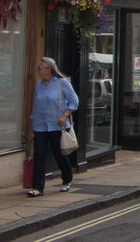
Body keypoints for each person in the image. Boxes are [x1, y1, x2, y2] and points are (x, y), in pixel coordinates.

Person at [28, 57, 79, 197]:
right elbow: (36, 105)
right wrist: (32, 121)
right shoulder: (39, 84)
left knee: (59, 154)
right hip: (40, 125)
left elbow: (74, 101)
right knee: (39, 156)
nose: (37, 70)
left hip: (57, 125)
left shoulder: (62, 83)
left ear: (48, 69)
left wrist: (65, 115)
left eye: (40, 68)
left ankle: (67, 179)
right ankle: (37, 187)